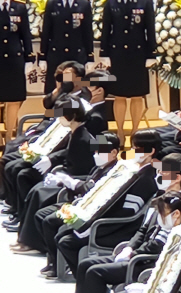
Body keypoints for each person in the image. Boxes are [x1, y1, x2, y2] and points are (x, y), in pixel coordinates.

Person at [65, 170, 181, 293]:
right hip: (134, 254)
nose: (160, 175)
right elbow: (142, 231)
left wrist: (133, 254)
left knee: (95, 273)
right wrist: (129, 247)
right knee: (85, 264)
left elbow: (156, 246)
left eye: (164, 172)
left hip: (143, 262)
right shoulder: (159, 202)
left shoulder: (180, 228)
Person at [55, 129, 160, 277]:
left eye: (136, 148)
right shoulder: (132, 169)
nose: (132, 151)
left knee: (66, 242)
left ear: (150, 151)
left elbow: (129, 211)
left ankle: (83, 278)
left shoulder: (147, 178)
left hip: (117, 226)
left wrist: (95, 220)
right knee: (62, 233)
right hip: (105, 216)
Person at [29, 133, 121, 276]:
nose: (96, 154)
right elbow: (88, 182)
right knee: (40, 214)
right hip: (79, 203)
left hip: (88, 210)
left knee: (50, 221)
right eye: (95, 150)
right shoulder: (99, 167)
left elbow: (92, 189)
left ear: (114, 152)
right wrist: (62, 181)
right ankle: (53, 258)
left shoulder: (115, 172)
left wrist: (70, 182)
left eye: (100, 150)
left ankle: (57, 264)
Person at [3, 95, 97, 232]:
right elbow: (67, 152)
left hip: (70, 178)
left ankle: (27, 228)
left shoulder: (83, 136)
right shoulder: (75, 132)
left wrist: (60, 177)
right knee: (23, 174)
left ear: (71, 116)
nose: (59, 118)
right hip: (60, 169)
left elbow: (77, 167)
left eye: (62, 115)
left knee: (33, 186)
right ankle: (21, 218)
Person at [99, 0, 156, 146]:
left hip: (138, 54)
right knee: (119, 95)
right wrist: (104, 53)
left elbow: (150, 28)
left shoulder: (144, 2)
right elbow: (106, 29)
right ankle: (120, 132)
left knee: (137, 96)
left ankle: (135, 132)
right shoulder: (111, 3)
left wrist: (152, 53)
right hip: (117, 54)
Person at [39, 0, 94, 94]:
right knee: (55, 90)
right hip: (56, 55)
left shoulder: (83, 4)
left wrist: (90, 57)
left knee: (77, 90)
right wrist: (42, 56)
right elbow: (46, 31)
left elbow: (87, 32)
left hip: (77, 55)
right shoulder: (52, 3)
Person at [0, 0, 34, 144]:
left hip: (14, 59)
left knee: (13, 99)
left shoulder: (19, 7)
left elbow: (25, 34)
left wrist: (29, 58)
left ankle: (9, 137)